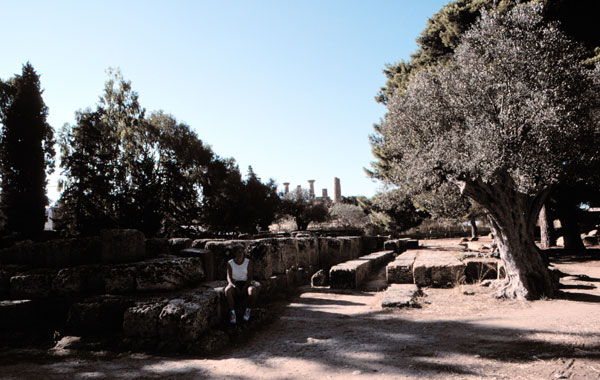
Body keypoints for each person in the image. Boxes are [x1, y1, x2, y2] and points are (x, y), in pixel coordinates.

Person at [224, 244, 260, 324]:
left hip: (245, 282)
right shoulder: (230, 263)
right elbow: (229, 277)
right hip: (235, 283)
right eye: (238, 252)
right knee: (227, 291)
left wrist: (244, 287)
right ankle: (232, 313)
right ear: (235, 253)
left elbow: (250, 277)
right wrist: (235, 287)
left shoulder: (248, 262)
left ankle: (248, 310)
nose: (240, 254)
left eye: (242, 252)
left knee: (252, 290)